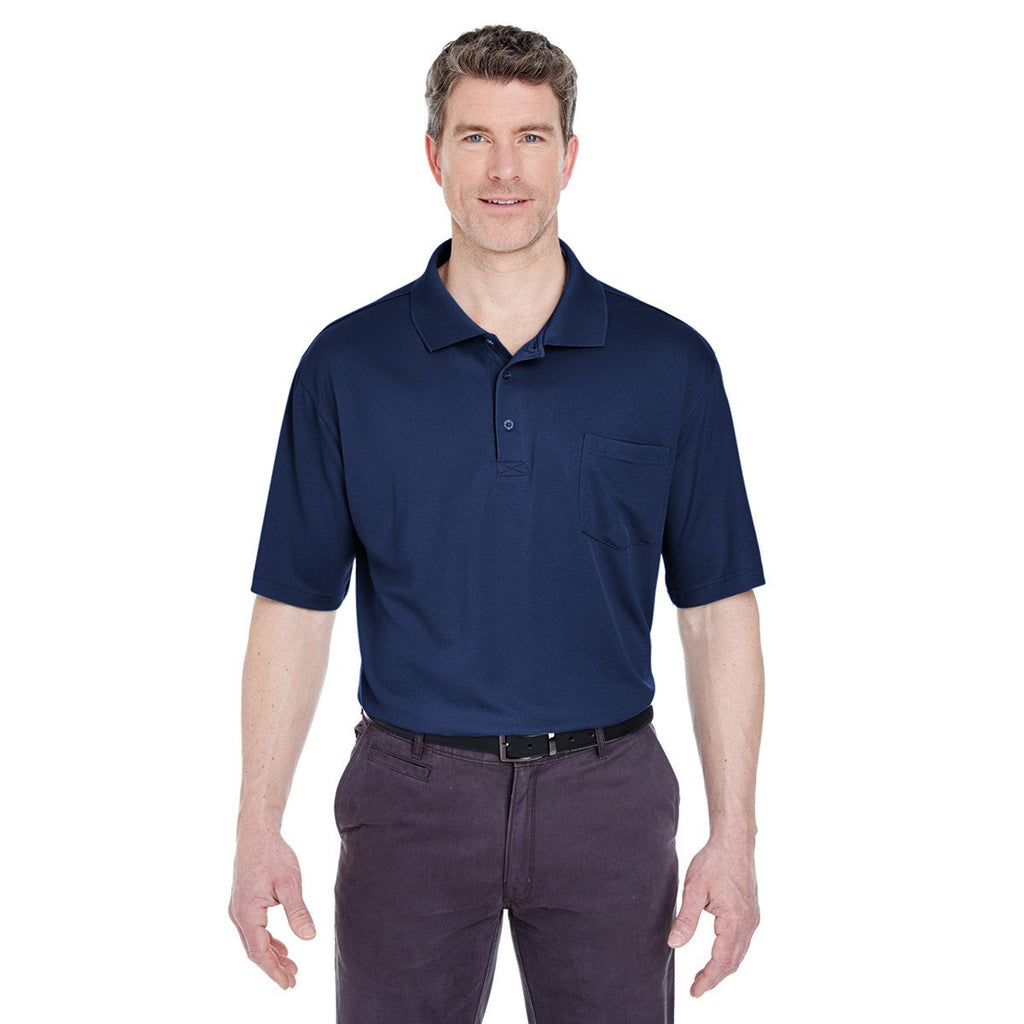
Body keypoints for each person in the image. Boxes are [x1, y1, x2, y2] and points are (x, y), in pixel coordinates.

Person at [229, 24, 765, 1024]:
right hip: (410, 799)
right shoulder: (346, 367)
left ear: (570, 155)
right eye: (476, 137)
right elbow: (295, 609)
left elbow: (715, 612)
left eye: (531, 138)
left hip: (608, 797)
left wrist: (734, 837)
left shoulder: (669, 364)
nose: (504, 170)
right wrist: (256, 825)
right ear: (434, 155)